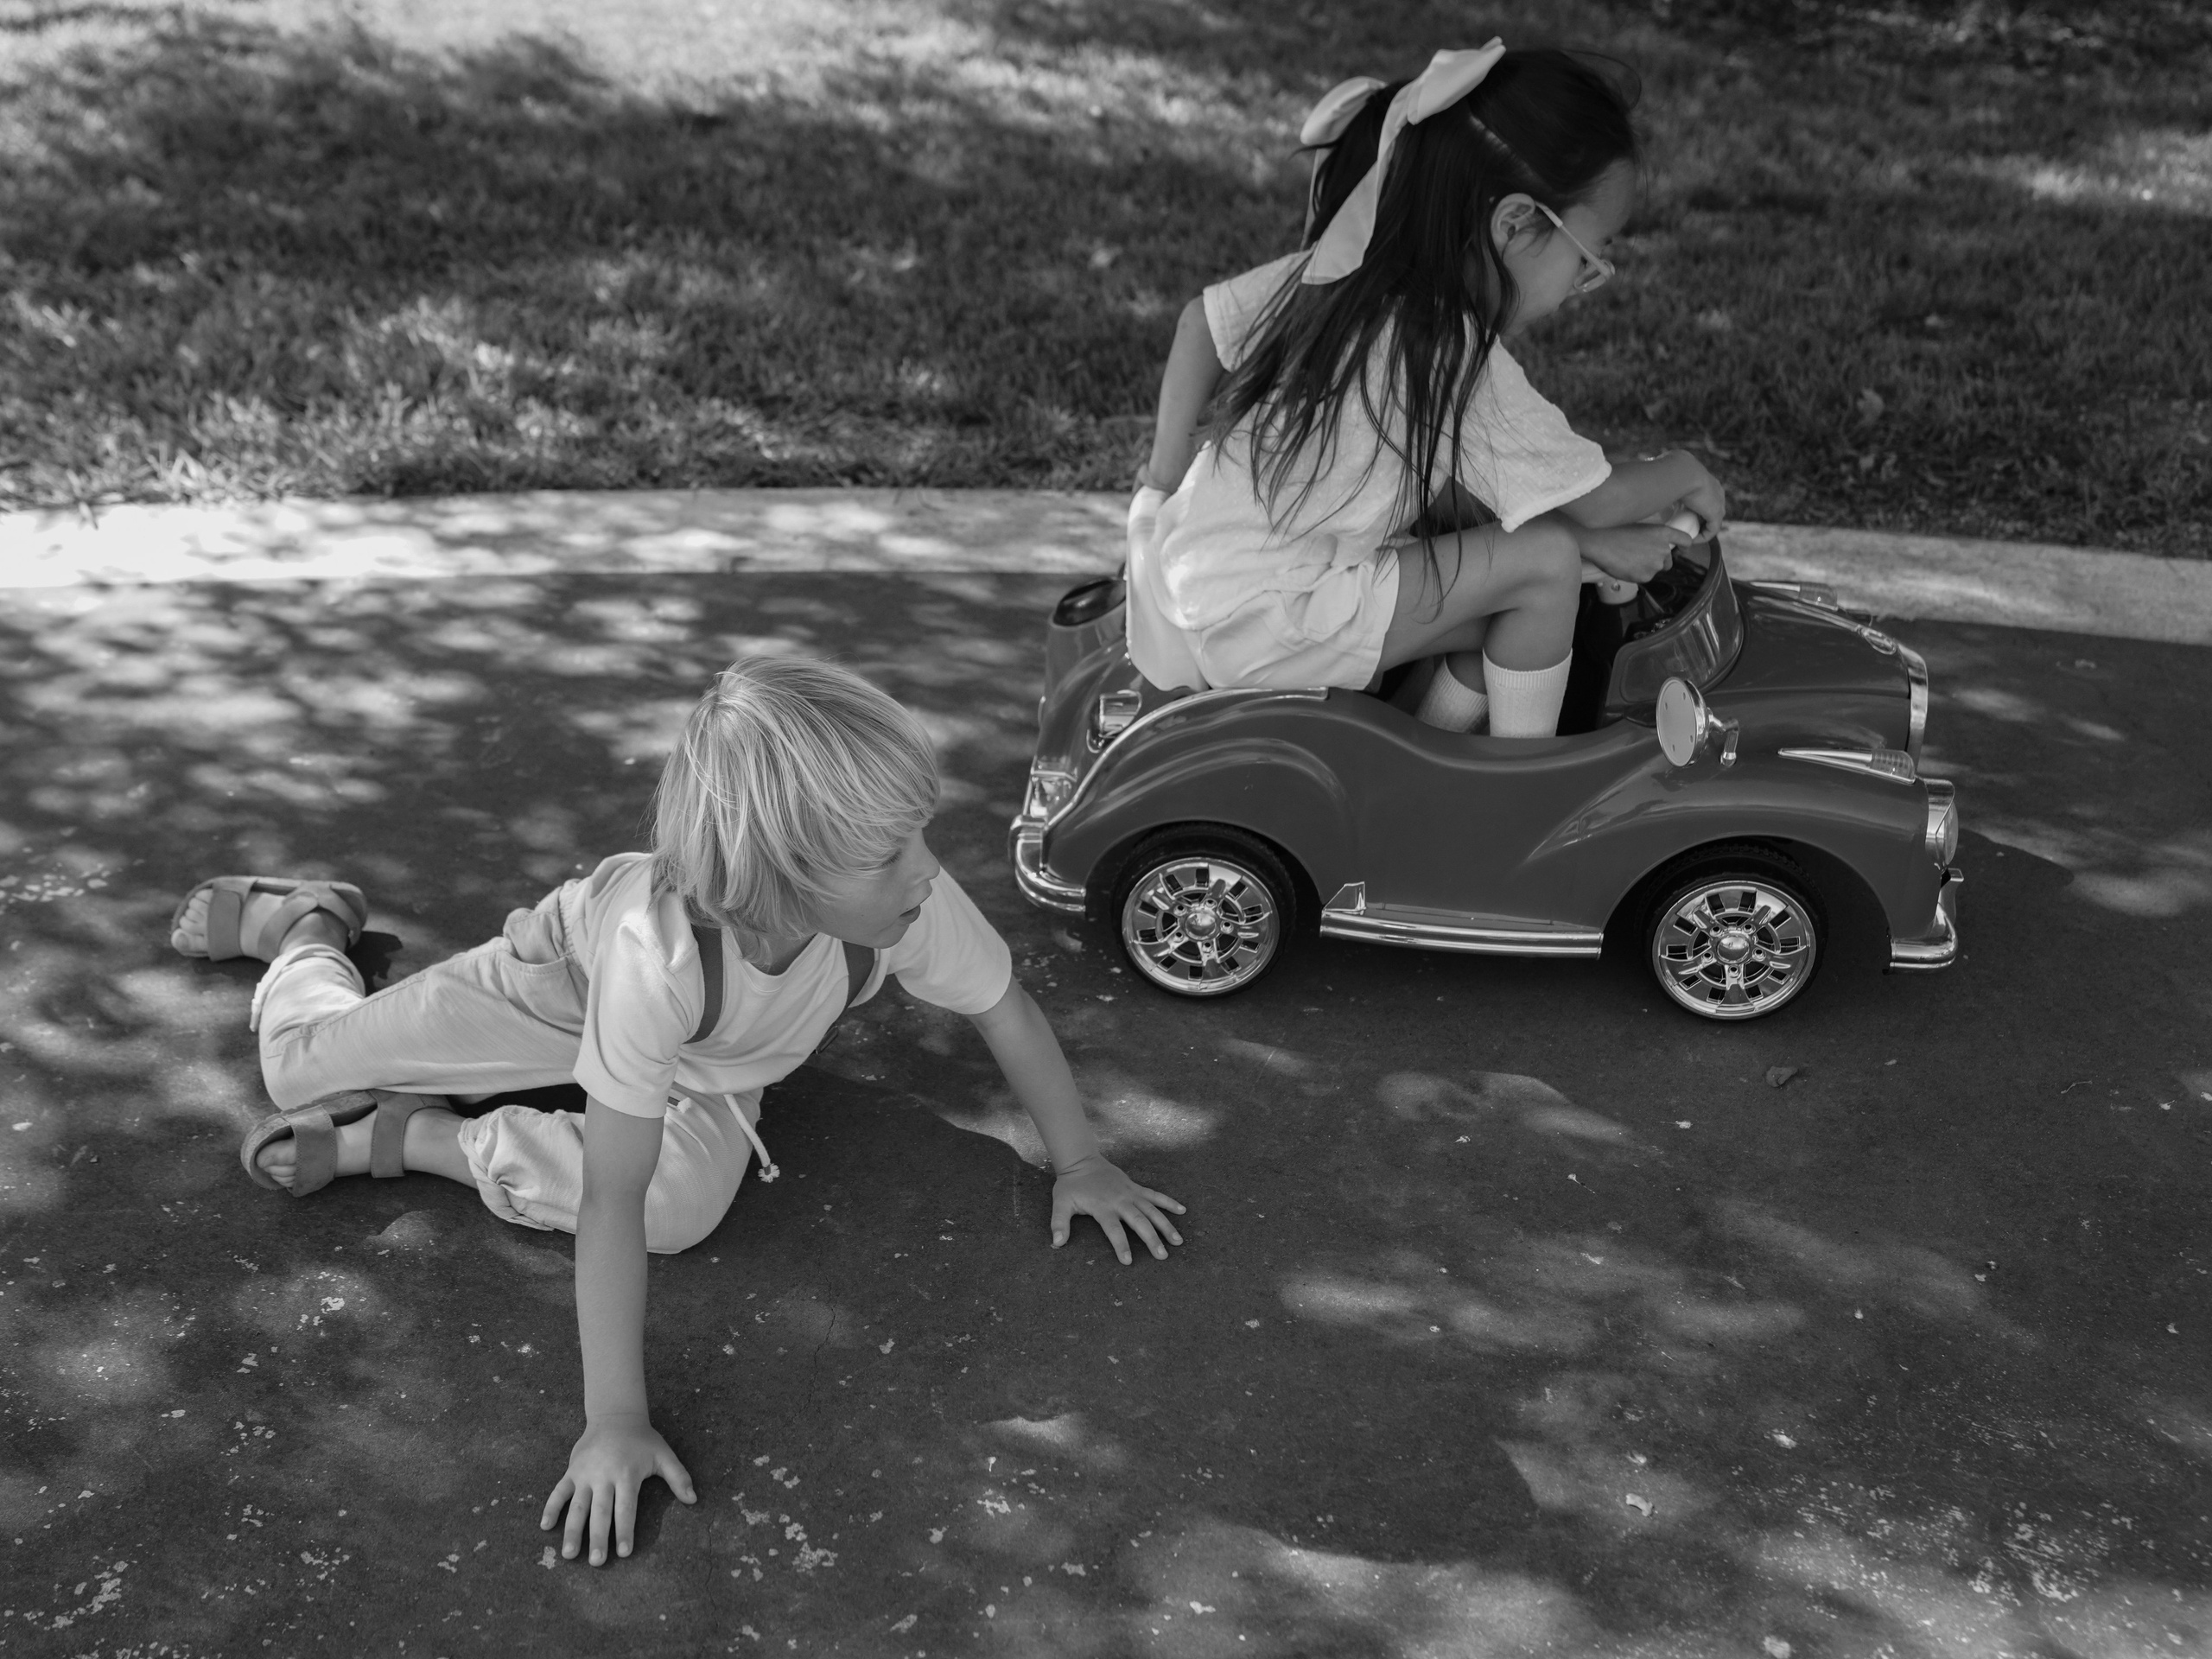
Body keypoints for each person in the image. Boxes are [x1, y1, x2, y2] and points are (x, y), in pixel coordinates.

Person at [168, 655, 1186, 1567]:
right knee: (299, 1069)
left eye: (914, 834)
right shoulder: (652, 962)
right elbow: (604, 1198)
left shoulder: (903, 903)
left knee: (682, 1212)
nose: (926, 865)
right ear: (778, 879)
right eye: (888, 854)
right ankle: (302, 926)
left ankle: (413, 1135)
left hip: (713, 1061)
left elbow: (1003, 1007)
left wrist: (1082, 1161)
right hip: (559, 988)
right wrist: (613, 1419)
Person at [1127, 41, 1727, 734]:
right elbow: (1598, 502)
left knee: (1504, 594)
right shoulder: (1452, 350)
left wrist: (1157, 489)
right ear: (1515, 224)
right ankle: (1517, 789)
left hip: (1206, 581)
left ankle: (1421, 760)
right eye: (1589, 261)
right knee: (1545, 564)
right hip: (1275, 618)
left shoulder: (1342, 277)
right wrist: (1683, 471)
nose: (1581, 286)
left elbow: (1198, 323)